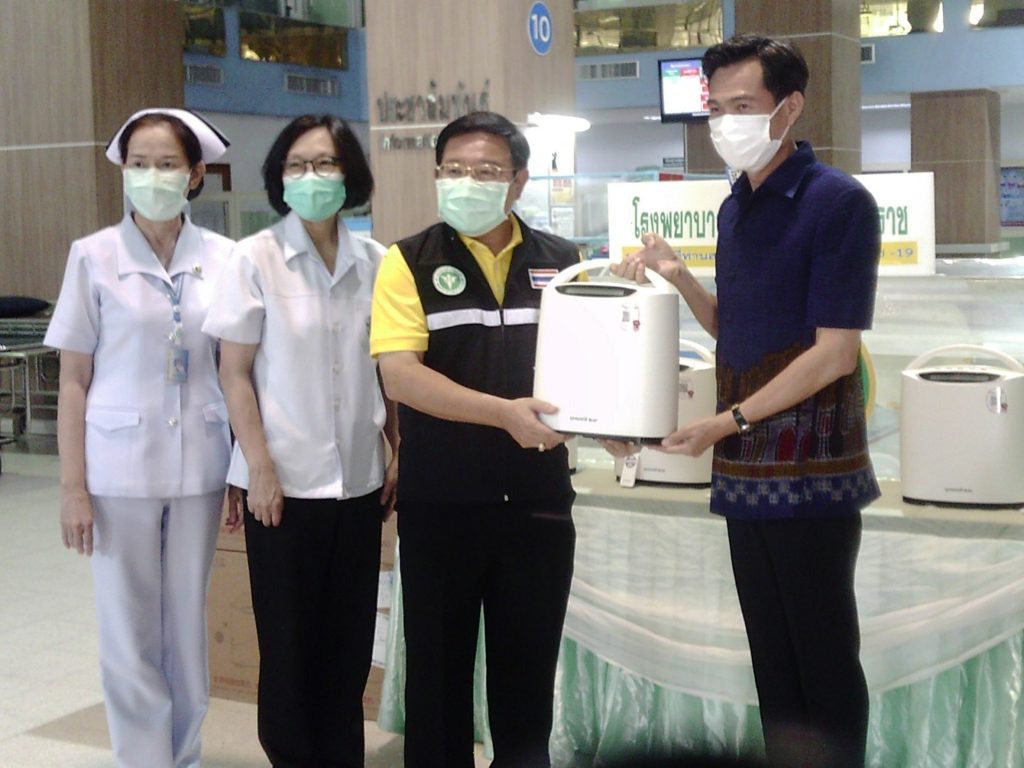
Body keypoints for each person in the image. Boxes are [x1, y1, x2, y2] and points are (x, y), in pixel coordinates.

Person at [607, 35, 880, 768]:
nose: (725, 123)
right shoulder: (735, 208)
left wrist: (725, 422)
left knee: (823, 658)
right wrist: (678, 276)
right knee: (773, 660)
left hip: (812, 472)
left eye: (742, 106)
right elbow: (737, 330)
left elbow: (835, 352)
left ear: (789, 107)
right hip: (745, 471)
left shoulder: (838, 203)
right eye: (716, 109)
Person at [370, 110, 578, 768]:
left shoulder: (562, 262)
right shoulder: (408, 261)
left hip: (539, 503)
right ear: (436, 175)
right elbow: (401, 377)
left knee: (526, 686)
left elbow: (586, 364)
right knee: (437, 684)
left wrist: (613, 424)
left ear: (518, 181)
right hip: (442, 505)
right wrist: (504, 415)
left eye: (486, 171)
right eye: (454, 170)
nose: (467, 182)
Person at [202, 114, 398, 768]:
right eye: (297, 165)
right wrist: (257, 467)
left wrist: (396, 447)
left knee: (349, 644)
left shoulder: (378, 263)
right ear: (280, 177)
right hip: (283, 487)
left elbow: (387, 368)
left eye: (325, 163)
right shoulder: (253, 258)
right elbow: (234, 373)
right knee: (289, 648)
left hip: (359, 481)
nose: (311, 176)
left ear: (350, 175)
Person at [46, 108, 235, 768]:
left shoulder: (225, 259)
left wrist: (242, 468)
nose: (152, 176)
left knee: (186, 626)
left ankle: (183, 756)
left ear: (195, 174)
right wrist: (72, 487)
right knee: (128, 631)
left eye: (166, 164)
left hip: (201, 466)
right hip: (116, 471)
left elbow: (238, 372)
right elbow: (74, 379)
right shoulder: (92, 256)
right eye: (139, 164)